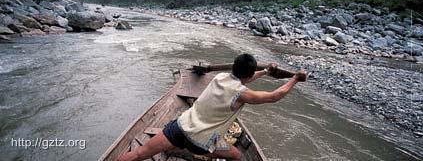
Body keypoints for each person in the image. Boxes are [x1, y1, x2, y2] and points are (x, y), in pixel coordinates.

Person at [117, 53, 307, 161]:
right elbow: (275, 96)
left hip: (180, 127)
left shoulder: (220, 77)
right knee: (237, 156)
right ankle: (188, 151)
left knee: (139, 153)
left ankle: (177, 148)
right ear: (248, 76)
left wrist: (265, 71)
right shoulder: (242, 94)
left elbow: (245, 78)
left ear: (234, 68)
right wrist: (295, 79)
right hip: (199, 142)